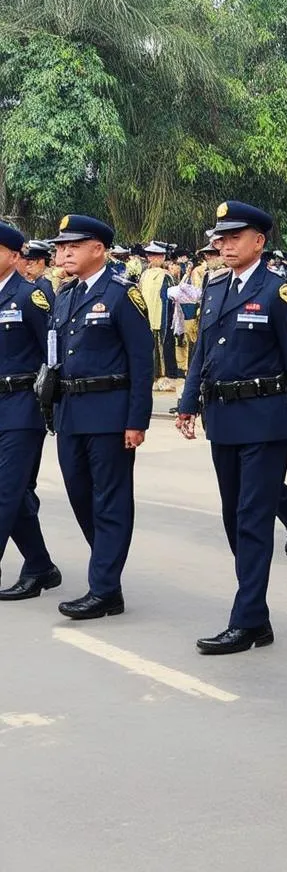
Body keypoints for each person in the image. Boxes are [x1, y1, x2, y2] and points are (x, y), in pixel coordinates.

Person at [176, 201, 287, 654]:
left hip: (263, 419)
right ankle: (257, 616)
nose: (223, 245)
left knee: (251, 520)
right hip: (222, 419)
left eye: (233, 237)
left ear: (259, 242)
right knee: (233, 518)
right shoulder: (215, 286)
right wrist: (187, 405)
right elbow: (203, 350)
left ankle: (246, 620)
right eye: (220, 238)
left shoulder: (276, 290)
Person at [48, 214, 154, 618]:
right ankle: (106, 573)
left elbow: (141, 361)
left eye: (73, 246)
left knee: (110, 500)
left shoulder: (121, 294)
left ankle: (104, 588)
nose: (64, 252)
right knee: (79, 497)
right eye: (61, 247)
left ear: (99, 249)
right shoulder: (65, 295)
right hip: (70, 412)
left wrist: (137, 420)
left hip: (110, 412)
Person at [0, 222, 63, 602]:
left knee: (5, 491)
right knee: (17, 493)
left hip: (23, 405)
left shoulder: (30, 297)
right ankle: (40, 566)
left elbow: (52, 353)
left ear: (13, 255)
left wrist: (52, 405)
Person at [138, 241, 179, 381]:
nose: (154, 258)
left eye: (157, 255)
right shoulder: (144, 275)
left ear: (162, 257)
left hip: (162, 314)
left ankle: (166, 373)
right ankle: (156, 373)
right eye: (151, 255)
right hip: (149, 314)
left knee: (164, 342)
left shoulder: (166, 276)